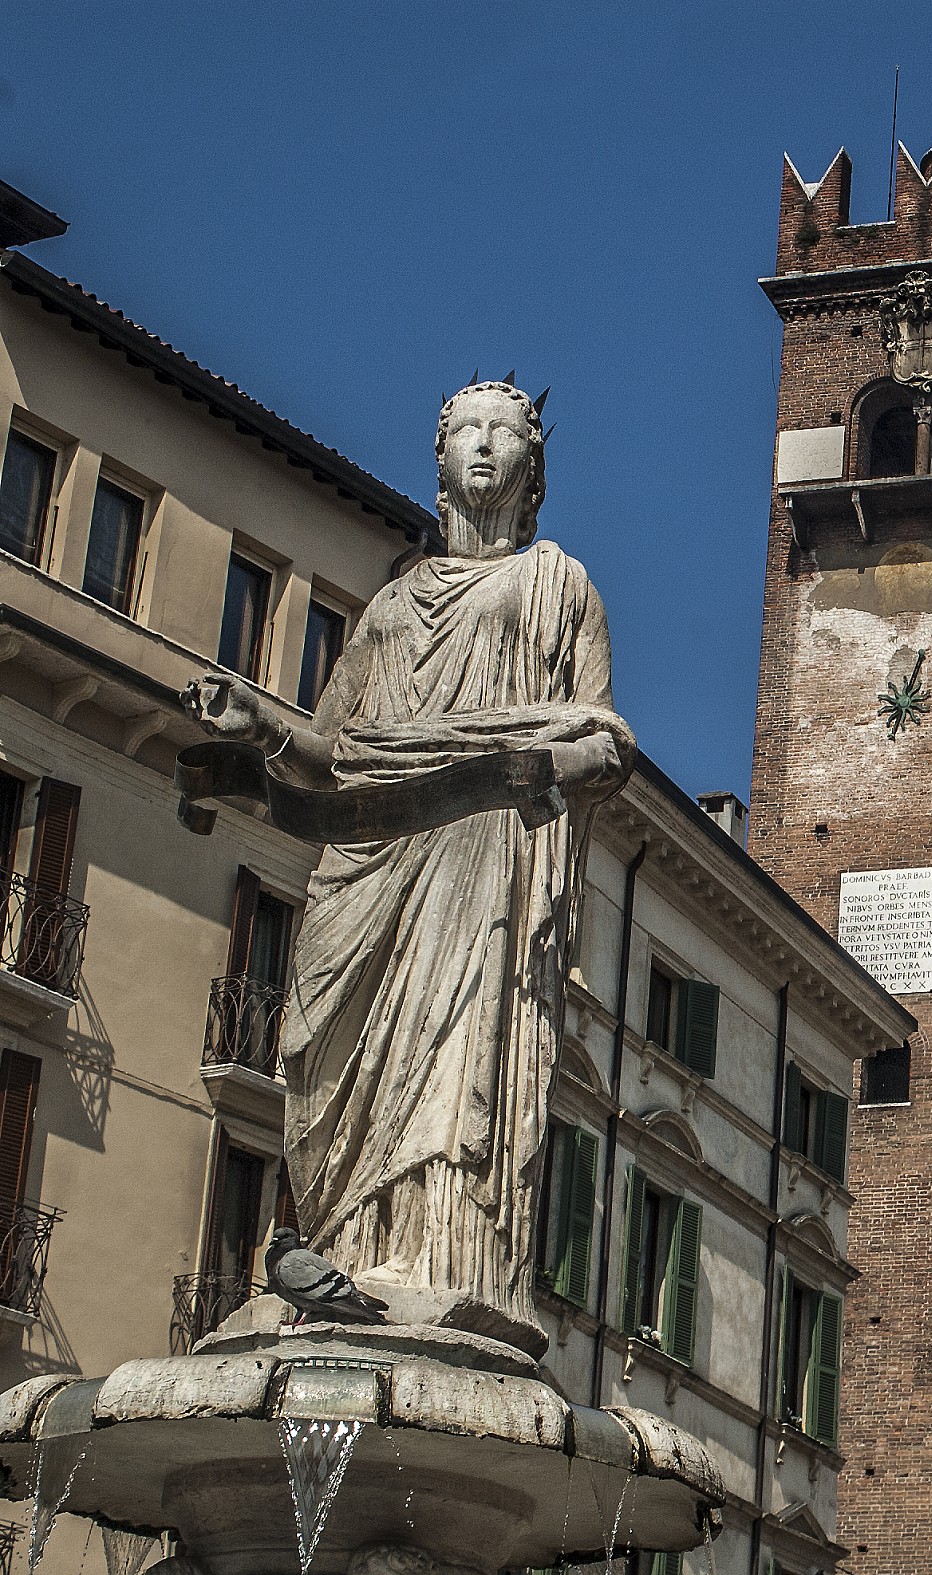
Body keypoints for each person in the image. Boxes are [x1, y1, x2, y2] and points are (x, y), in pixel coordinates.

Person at [182, 380, 633, 1321]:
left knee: (457, 1046)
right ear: (436, 461)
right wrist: (256, 717)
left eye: (503, 432)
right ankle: (342, 1246)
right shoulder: (390, 609)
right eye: (464, 430)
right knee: (331, 1044)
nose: (481, 446)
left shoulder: (560, 584)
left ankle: (445, 1267)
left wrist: (555, 759)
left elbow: (608, 736)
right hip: (375, 852)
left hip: (485, 853)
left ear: (533, 465)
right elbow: (331, 748)